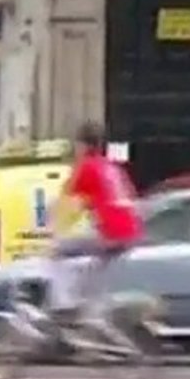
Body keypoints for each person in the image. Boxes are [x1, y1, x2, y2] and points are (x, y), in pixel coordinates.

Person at [46, 121, 144, 325]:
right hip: (131, 231)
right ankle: (93, 311)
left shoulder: (86, 167)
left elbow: (65, 204)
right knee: (95, 265)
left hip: (111, 232)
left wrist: (52, 229)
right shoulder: (112, 167)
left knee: (58, 252)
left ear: (82, 145)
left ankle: (63, 307)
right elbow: (122, 200)